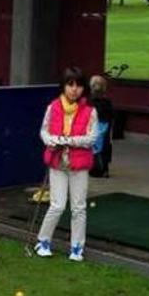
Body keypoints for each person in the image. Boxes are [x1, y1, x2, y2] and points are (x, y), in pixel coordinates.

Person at [34, 67, 97, 261]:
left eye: (78, 85)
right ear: (63, 86)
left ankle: (77, 246)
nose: (74, 89)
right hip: (57, 163)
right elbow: (44, 131)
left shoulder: (90, 111)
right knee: (57, 205)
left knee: (78, 207)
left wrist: (70, 141)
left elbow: (92, 137)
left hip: (79, 165)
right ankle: (43, 241)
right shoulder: (53, 107)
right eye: (70, 84)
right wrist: (52, 140)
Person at [88, 74, 114, 178]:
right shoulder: (107, 102)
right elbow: (112, 115)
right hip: (105, 128)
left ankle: (94, 168)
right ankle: (105, 169)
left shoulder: (89, 102)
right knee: (105, 147)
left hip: (93, 128)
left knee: (93, 147)